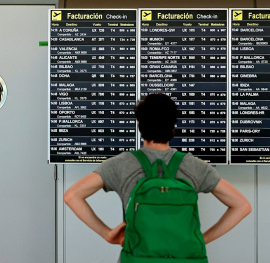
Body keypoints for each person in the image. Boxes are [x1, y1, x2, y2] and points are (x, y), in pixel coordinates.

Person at [64, 93, 252, 261]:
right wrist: (200, 240)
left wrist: (107, 234)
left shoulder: (121, 164)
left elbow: (72, 196)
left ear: (139, 124)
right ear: (173, 125)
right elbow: (242, 206)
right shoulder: (195, 166)